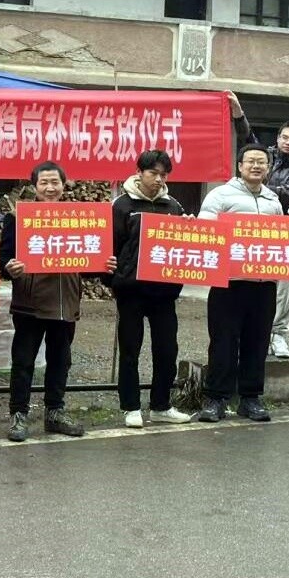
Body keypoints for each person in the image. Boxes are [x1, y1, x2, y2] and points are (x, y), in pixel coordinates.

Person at [0, 161, 88, 442]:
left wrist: (104, 264)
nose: (50, 188)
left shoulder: (79, 219)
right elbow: (4, 259)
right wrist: (9, 267)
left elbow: (90, 259)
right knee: (23, 360)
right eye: (44, 183)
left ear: (64, 185)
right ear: (34, 186)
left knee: (60, 359)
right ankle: (18, 414)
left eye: (55, 182)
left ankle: (55, 412)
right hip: (30, 302)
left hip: (65, 301)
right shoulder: (18, 217)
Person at [196, 144, 285, 423]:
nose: (256, 166)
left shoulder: (273, 200)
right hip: (229, 283)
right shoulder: (220, 195)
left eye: (262, 162)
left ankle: (250, 398)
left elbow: (283, 237)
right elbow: (205, 232)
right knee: (223, 341)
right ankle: (216, 399)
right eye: (250, 161)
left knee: (257, 341)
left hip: (264, 283)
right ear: (239, 166)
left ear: (268, 167)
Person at [106, 150, 193, 429]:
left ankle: (161, 405)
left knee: (167, 350)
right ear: (139, 172)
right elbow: (110, 247)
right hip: (131, 291)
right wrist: (115, 281)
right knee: (130, 350)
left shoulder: (173, 205)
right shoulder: (121, 205)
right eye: (153, 173)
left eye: (163, 175)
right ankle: (131, 407)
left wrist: (189, 229)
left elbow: (183, 246)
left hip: (164, 293)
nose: (158, 179)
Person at [232, 103, 289, 360]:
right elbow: (248, 140)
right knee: (247, 282)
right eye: (284, 137)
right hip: (253, 230)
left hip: (285, 231)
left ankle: (278, 334)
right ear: (278, 138)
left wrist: (257, 186)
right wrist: (239, 115)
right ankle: (247, 334)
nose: (287, 142)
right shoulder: (266, 156)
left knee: (284, 285)